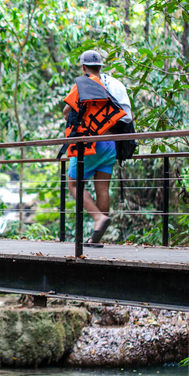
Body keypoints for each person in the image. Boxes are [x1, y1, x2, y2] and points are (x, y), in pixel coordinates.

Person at [62, 50, 132, 246]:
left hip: (89, 144)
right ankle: (95, 237)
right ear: (101, 66)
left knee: (74, 184)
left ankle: (98, 218)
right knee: (103, 189)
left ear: (83, 67)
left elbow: (67, 112)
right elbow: (126, 116)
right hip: (111, 144)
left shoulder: (82, 85)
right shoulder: (116, 85)